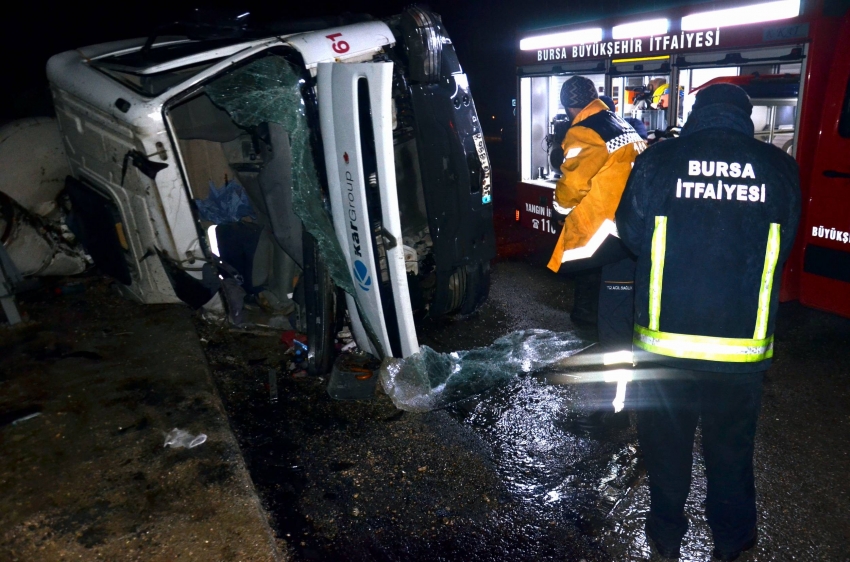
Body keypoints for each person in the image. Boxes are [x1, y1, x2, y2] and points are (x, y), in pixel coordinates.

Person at [615, 83, 800, 560]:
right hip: (741, 352)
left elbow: (631, 233)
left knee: (666, 451)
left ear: (697, 112)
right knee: (732, 453)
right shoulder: (779, 167)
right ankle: (732, 543)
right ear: (748, 116)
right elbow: (787, 240)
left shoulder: (660, 160)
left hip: (665, 345)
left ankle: (665, 538)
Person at [548, 75, 646, 349]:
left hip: (605, 229)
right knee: (614, 290)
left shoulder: (584, 132)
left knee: (609, 296)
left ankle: (610, 356)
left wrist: (559, 209)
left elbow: (573, 183)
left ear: (567, 105)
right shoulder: (620, 123)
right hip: (628, 223)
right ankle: (593, 324)